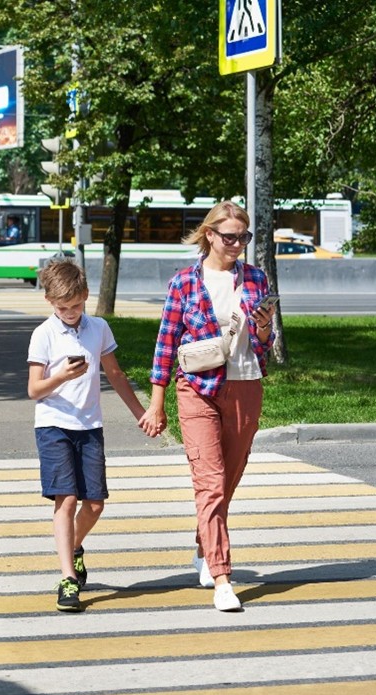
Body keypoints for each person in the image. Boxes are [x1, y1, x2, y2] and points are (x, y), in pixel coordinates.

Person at [138, 201, 277, 612]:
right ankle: (222, 578)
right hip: (197, 387)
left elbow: (264, 344)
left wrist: (264, 325)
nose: (237, 244)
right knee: (210, 483)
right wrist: (157, 403)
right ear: (210, 235)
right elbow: (166, 343)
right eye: (230, 237)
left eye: (243, 237)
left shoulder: (256, 278)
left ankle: (204, 544)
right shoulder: (185, 282)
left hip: (245, 385)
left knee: (227, 482)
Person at [28, 259, 159, 612]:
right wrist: (61, 377)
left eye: (75, 304)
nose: (70, 313)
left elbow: (115, 374)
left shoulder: (99, 327)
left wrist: (142, 414)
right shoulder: (43, 334)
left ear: (86, 294)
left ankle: (74, 545)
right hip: (53, 424)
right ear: (49, 302)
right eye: (62, 308)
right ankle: (68, 579)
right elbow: (34, 389)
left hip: (89, 426)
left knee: (96, 504)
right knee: (66, 500)